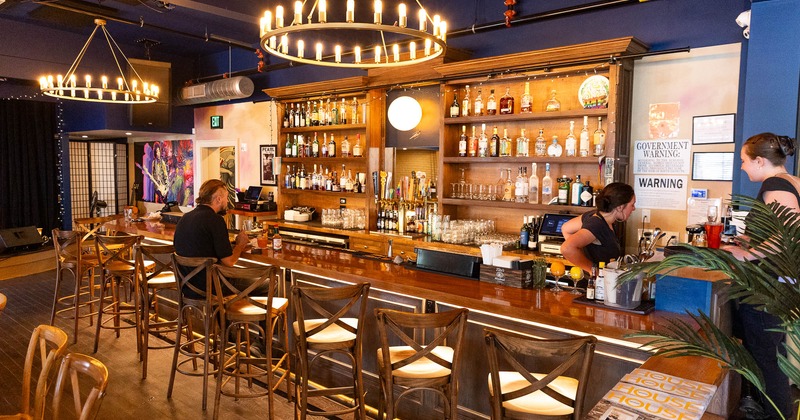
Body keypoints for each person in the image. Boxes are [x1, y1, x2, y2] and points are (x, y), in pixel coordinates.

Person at [720, 132, 798, 419]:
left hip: (769, 287)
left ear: (760, 161)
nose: (742, 167)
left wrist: (746, 254)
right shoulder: (792, 182)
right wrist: (747, 245)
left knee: (767, 360)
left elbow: (791, 234)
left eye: (744, 161)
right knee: (772, 355)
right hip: (778, 285)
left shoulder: (775, 184)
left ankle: (778, 415)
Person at [173, 179, 249, 298]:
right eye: (226, 197)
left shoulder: (185, 218)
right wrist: (240, 244)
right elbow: (229, 262)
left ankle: (222, 316)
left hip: (187, 286)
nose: (227, 201)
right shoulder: (215, 220)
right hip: (212, 286)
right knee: (269, 283)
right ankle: (233, 316)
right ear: (218, 199)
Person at [560, 182, 636, 273]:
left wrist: (582, 252)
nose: (634, 208)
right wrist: (591, 270)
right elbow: (567, 248)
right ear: (620, 207)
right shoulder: (597, 224)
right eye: (632, 205)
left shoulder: (596, 216)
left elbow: (566, 228)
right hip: (596, 284)